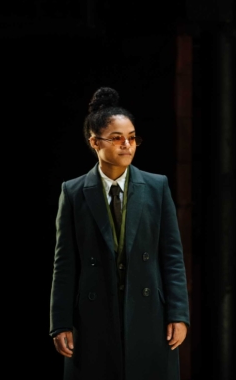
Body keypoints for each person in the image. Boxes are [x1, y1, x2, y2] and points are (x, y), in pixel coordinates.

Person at [49, 87, 190, 380]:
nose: (127, 145)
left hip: (149, 311)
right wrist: (60, 322)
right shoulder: (73, 192)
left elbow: (172, 256)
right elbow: (64, 264)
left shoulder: (156, 186)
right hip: (92, 317)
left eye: (132, 137)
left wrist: (178, 314)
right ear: (94, 142)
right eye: (116, 138)